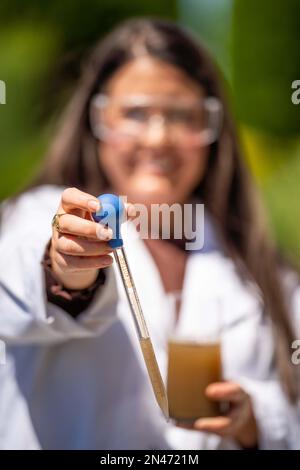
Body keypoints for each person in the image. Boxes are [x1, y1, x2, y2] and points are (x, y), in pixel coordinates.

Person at [0, 18, 299, 450]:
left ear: (212, 129)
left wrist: (257, 421)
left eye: (182, 115)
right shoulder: (35, 217)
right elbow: (23, 283)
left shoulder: (258, 264)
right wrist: (66, 266)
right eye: (135, 113)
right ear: (97, 121)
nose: (158, 138)